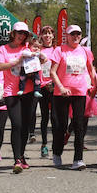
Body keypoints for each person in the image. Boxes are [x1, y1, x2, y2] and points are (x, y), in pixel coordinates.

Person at [0, 21, 47, 173]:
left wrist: (40, 59)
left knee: (24, 125)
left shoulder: (26, 47)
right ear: (13, 33)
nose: (21, 35)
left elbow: (39, 59)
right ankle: (17, 159)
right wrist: (16, 61)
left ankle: (21, 155)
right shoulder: (4, 49)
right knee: (16, 124)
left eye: (24, 33)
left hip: (29, 91)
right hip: (11, 92)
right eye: (19, 33)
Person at [49, 25, 97, 170]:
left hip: (80, 92)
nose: (76, 36)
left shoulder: (85, 51)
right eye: (73, 34)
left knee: (79, 125)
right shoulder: (59, 50)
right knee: (61, 126)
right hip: (62, 93)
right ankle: (57, 152)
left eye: (78, 34)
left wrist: (95, 83)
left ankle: (78, 159)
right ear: (67, 36)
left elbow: (90, 70)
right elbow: (53, 72)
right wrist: (61, 87)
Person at [34, 25, 58, 157]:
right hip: (42, 87)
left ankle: (55, 145)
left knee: (55, 117)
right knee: (44, 117)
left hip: (54, 86)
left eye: (50, 34)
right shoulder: (37, 51)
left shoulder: (57, 50)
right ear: (41, 36)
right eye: (45, 34)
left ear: (53, 36)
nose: (47, 36)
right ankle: (44, 144)